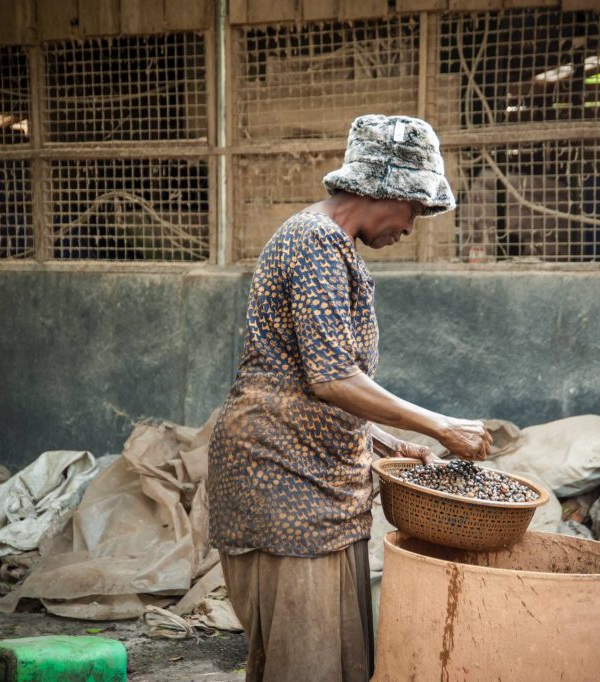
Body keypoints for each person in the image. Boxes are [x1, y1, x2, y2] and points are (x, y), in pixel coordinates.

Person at [207, 114, 493, 682]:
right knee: (306, 662)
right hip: (284, 481)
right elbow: (332, 379)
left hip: (316, 479)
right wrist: (441, 427)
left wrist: (389, 440)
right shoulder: (315, 241)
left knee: (333, 657)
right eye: (415, 209)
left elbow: (318, 375)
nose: (412, 227)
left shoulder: (333, 246)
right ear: (384, 190)